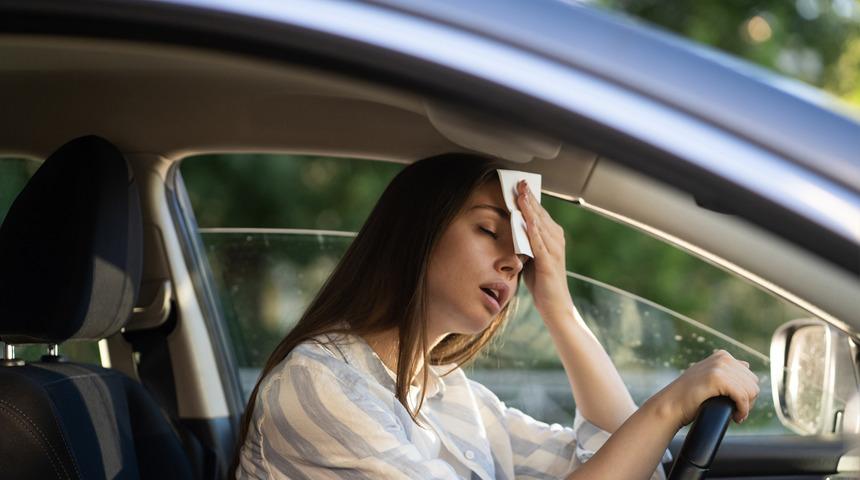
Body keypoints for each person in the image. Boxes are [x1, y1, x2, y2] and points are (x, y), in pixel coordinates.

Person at [232, 153, 760, 479]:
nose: (513, 260)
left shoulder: (448, 394)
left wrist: (558, 306)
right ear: (417, 232)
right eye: (488, 230)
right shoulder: (318, 385)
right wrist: (668, 407)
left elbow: (624, 462)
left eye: (524, 253)